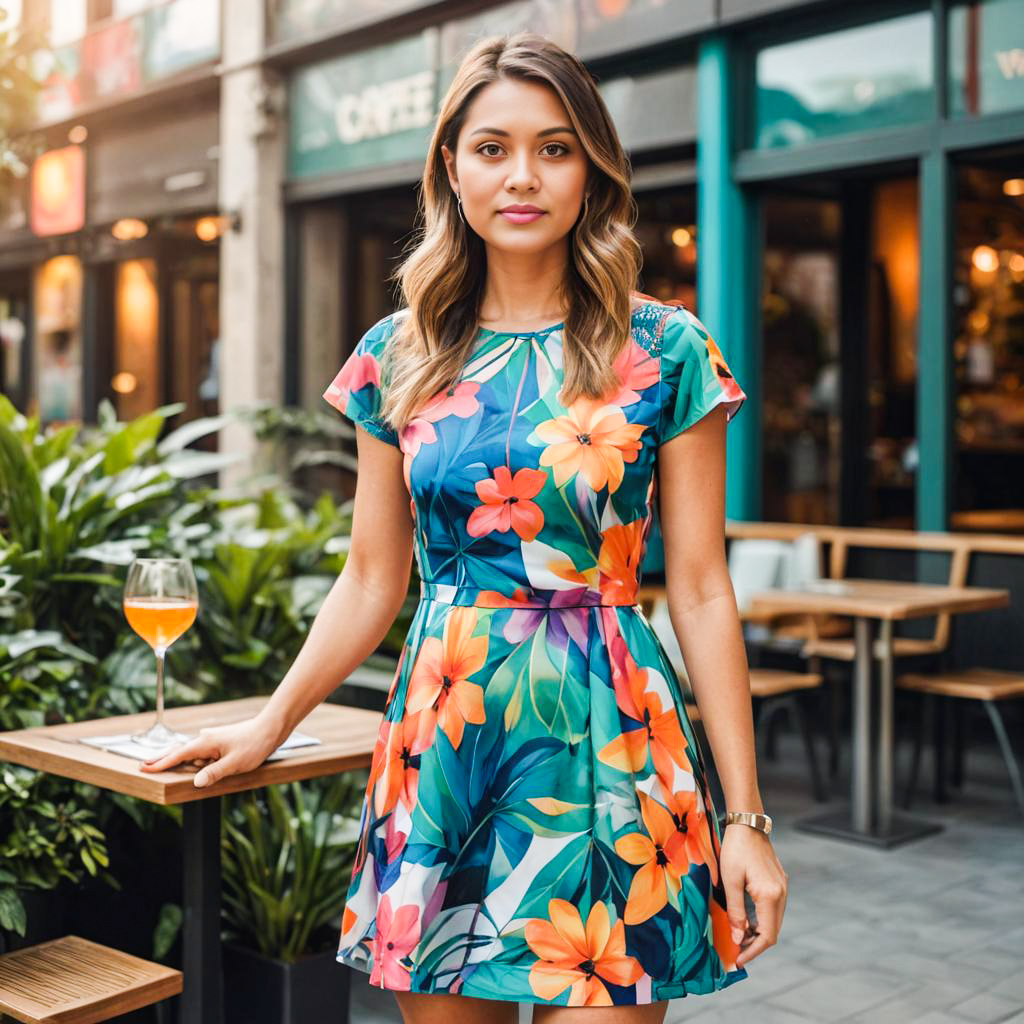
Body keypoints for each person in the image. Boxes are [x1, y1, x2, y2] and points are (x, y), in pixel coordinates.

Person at [141, 31, 787, 1024]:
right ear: (451, 165)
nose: (521, 176)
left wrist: (745, 819)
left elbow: (701, 588)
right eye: (492, 148)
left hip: (611, 746)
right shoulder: (397, 354)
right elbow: (369, 578)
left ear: (593, 171)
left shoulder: (666, 349)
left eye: (554, 147)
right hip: (446, 744)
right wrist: (267, 724)